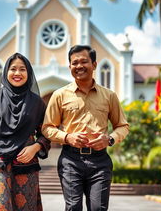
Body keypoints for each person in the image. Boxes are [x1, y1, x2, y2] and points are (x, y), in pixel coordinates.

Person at [42, 45, 129, 211]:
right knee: (73, 207)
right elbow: (47, 128)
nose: (79, 66)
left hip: (100, 161)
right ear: (69, 67)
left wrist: (109, 139)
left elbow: (122, 126)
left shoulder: (109, 96)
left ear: (94, 65)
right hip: (70, 160)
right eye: (74, 63)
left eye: (84, 61)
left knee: (98, 208)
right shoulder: (59, 95)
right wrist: (68, 137)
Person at [0, 53, 50, 211]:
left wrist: (35, 147)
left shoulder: (37, 103)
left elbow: (47, 133)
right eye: (13, 69)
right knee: (0, 207)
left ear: (29, 73)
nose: (17, 73)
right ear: (6, 72)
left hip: (26, 165)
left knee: (26, 208)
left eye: (22, 69)